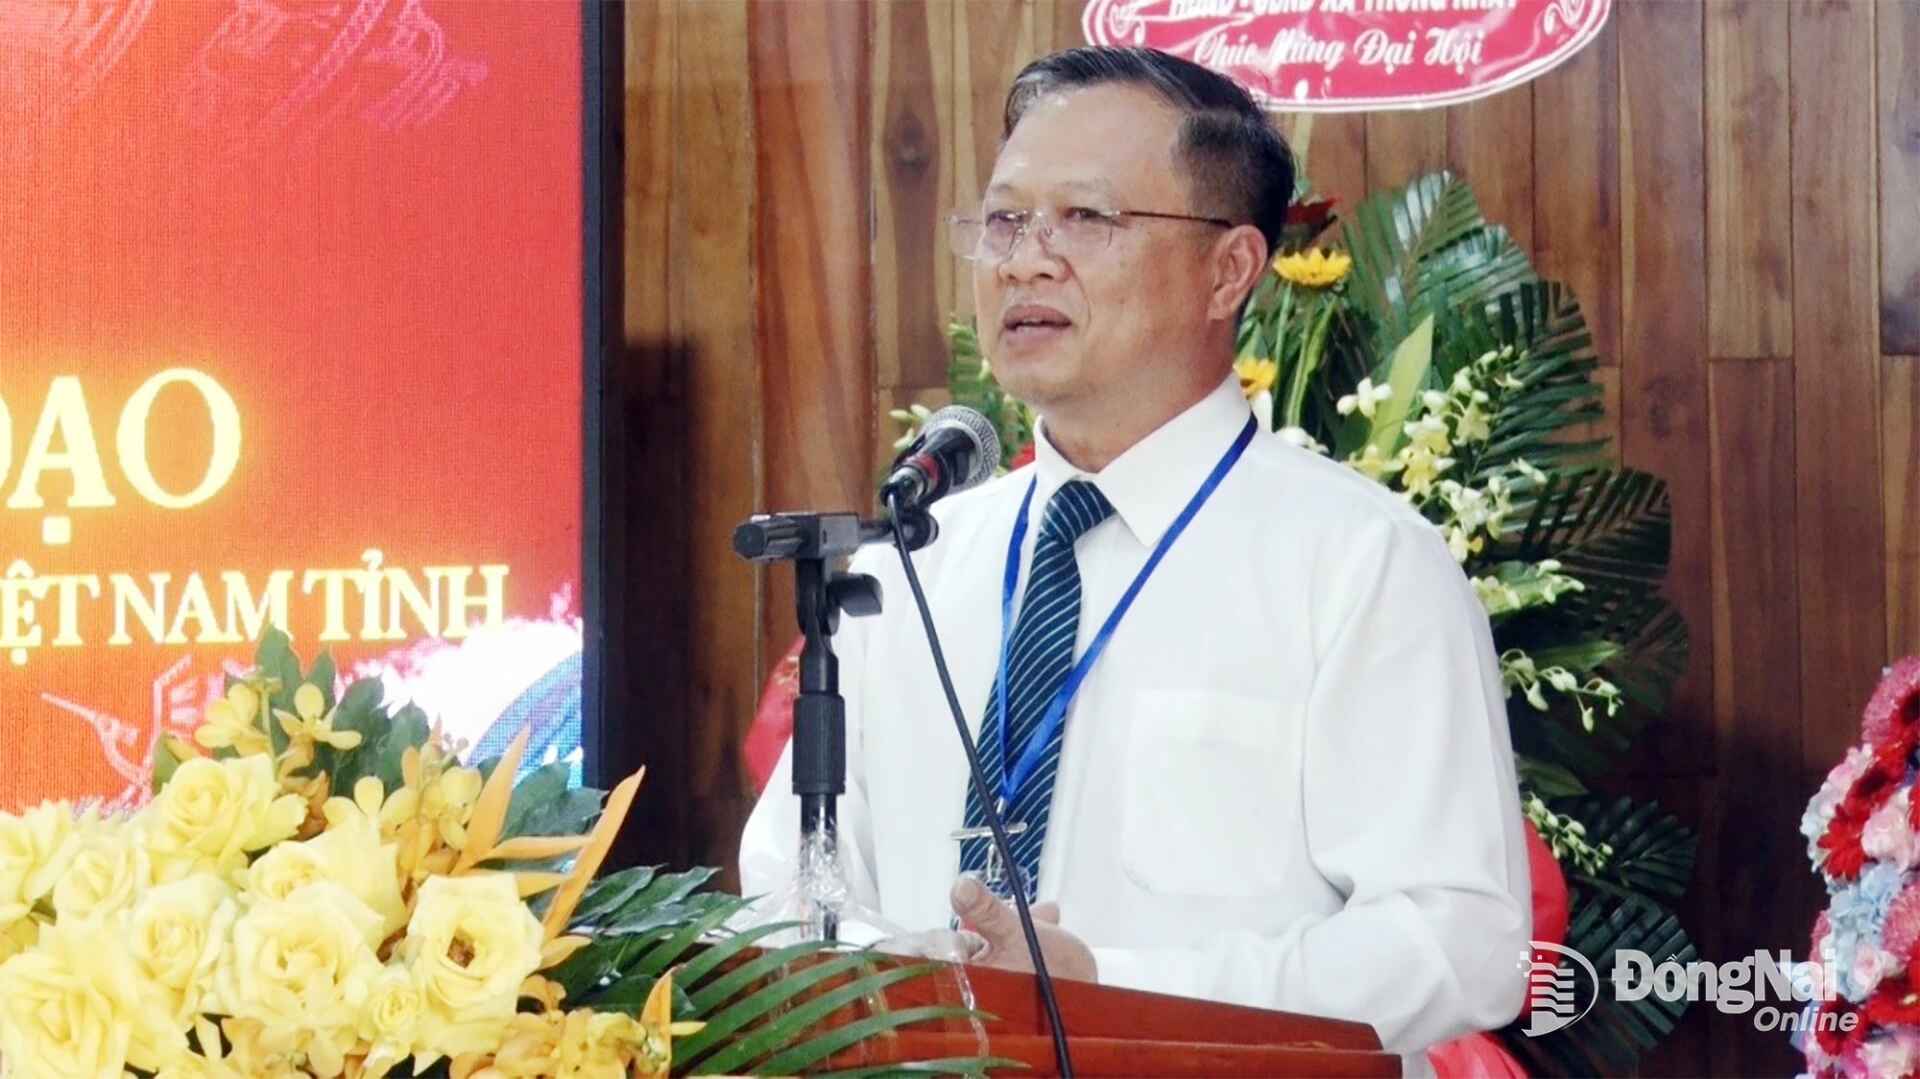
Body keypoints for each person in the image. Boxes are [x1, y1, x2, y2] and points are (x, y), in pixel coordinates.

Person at [739, 46, 1529, 1062]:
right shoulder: (910, 569)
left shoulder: (1361, 567)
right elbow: (787, 885)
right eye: (1005, 221)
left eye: (1085, 217)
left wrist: (1111, 992)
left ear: (1228, 269)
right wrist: (909, 983)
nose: (1025, 260)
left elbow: (1460, 940)